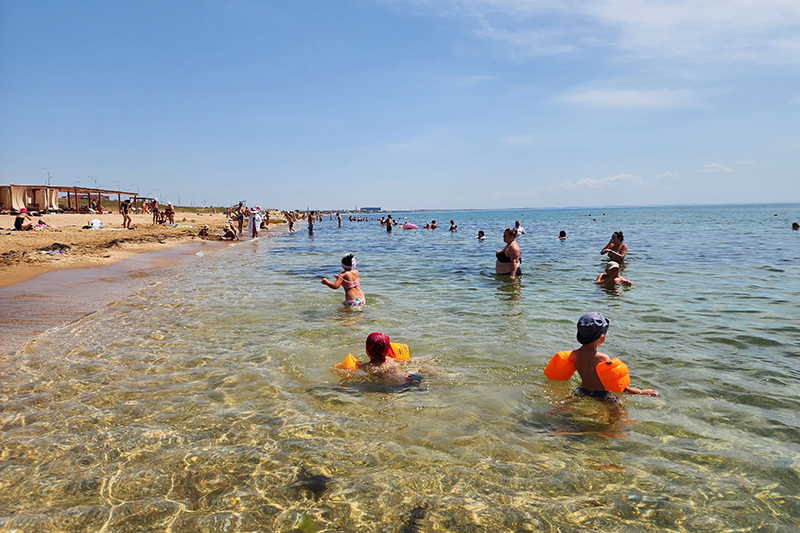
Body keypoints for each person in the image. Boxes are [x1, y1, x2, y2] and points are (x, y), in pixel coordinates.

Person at [567, 312, 658, 398]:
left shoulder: (574, 354)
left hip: (581, 391)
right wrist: (641, 392)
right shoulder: (602, 358)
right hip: (601, 394)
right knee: (621, 413)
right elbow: (618, 385)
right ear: (602, 337)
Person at [349, 333, 423, 385]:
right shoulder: (390, 359)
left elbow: (350, 369)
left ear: (367, 350)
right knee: (416, 368)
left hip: (397, 386)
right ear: (387, 350)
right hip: (410, 378)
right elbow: (405, 362)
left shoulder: (365, 366)